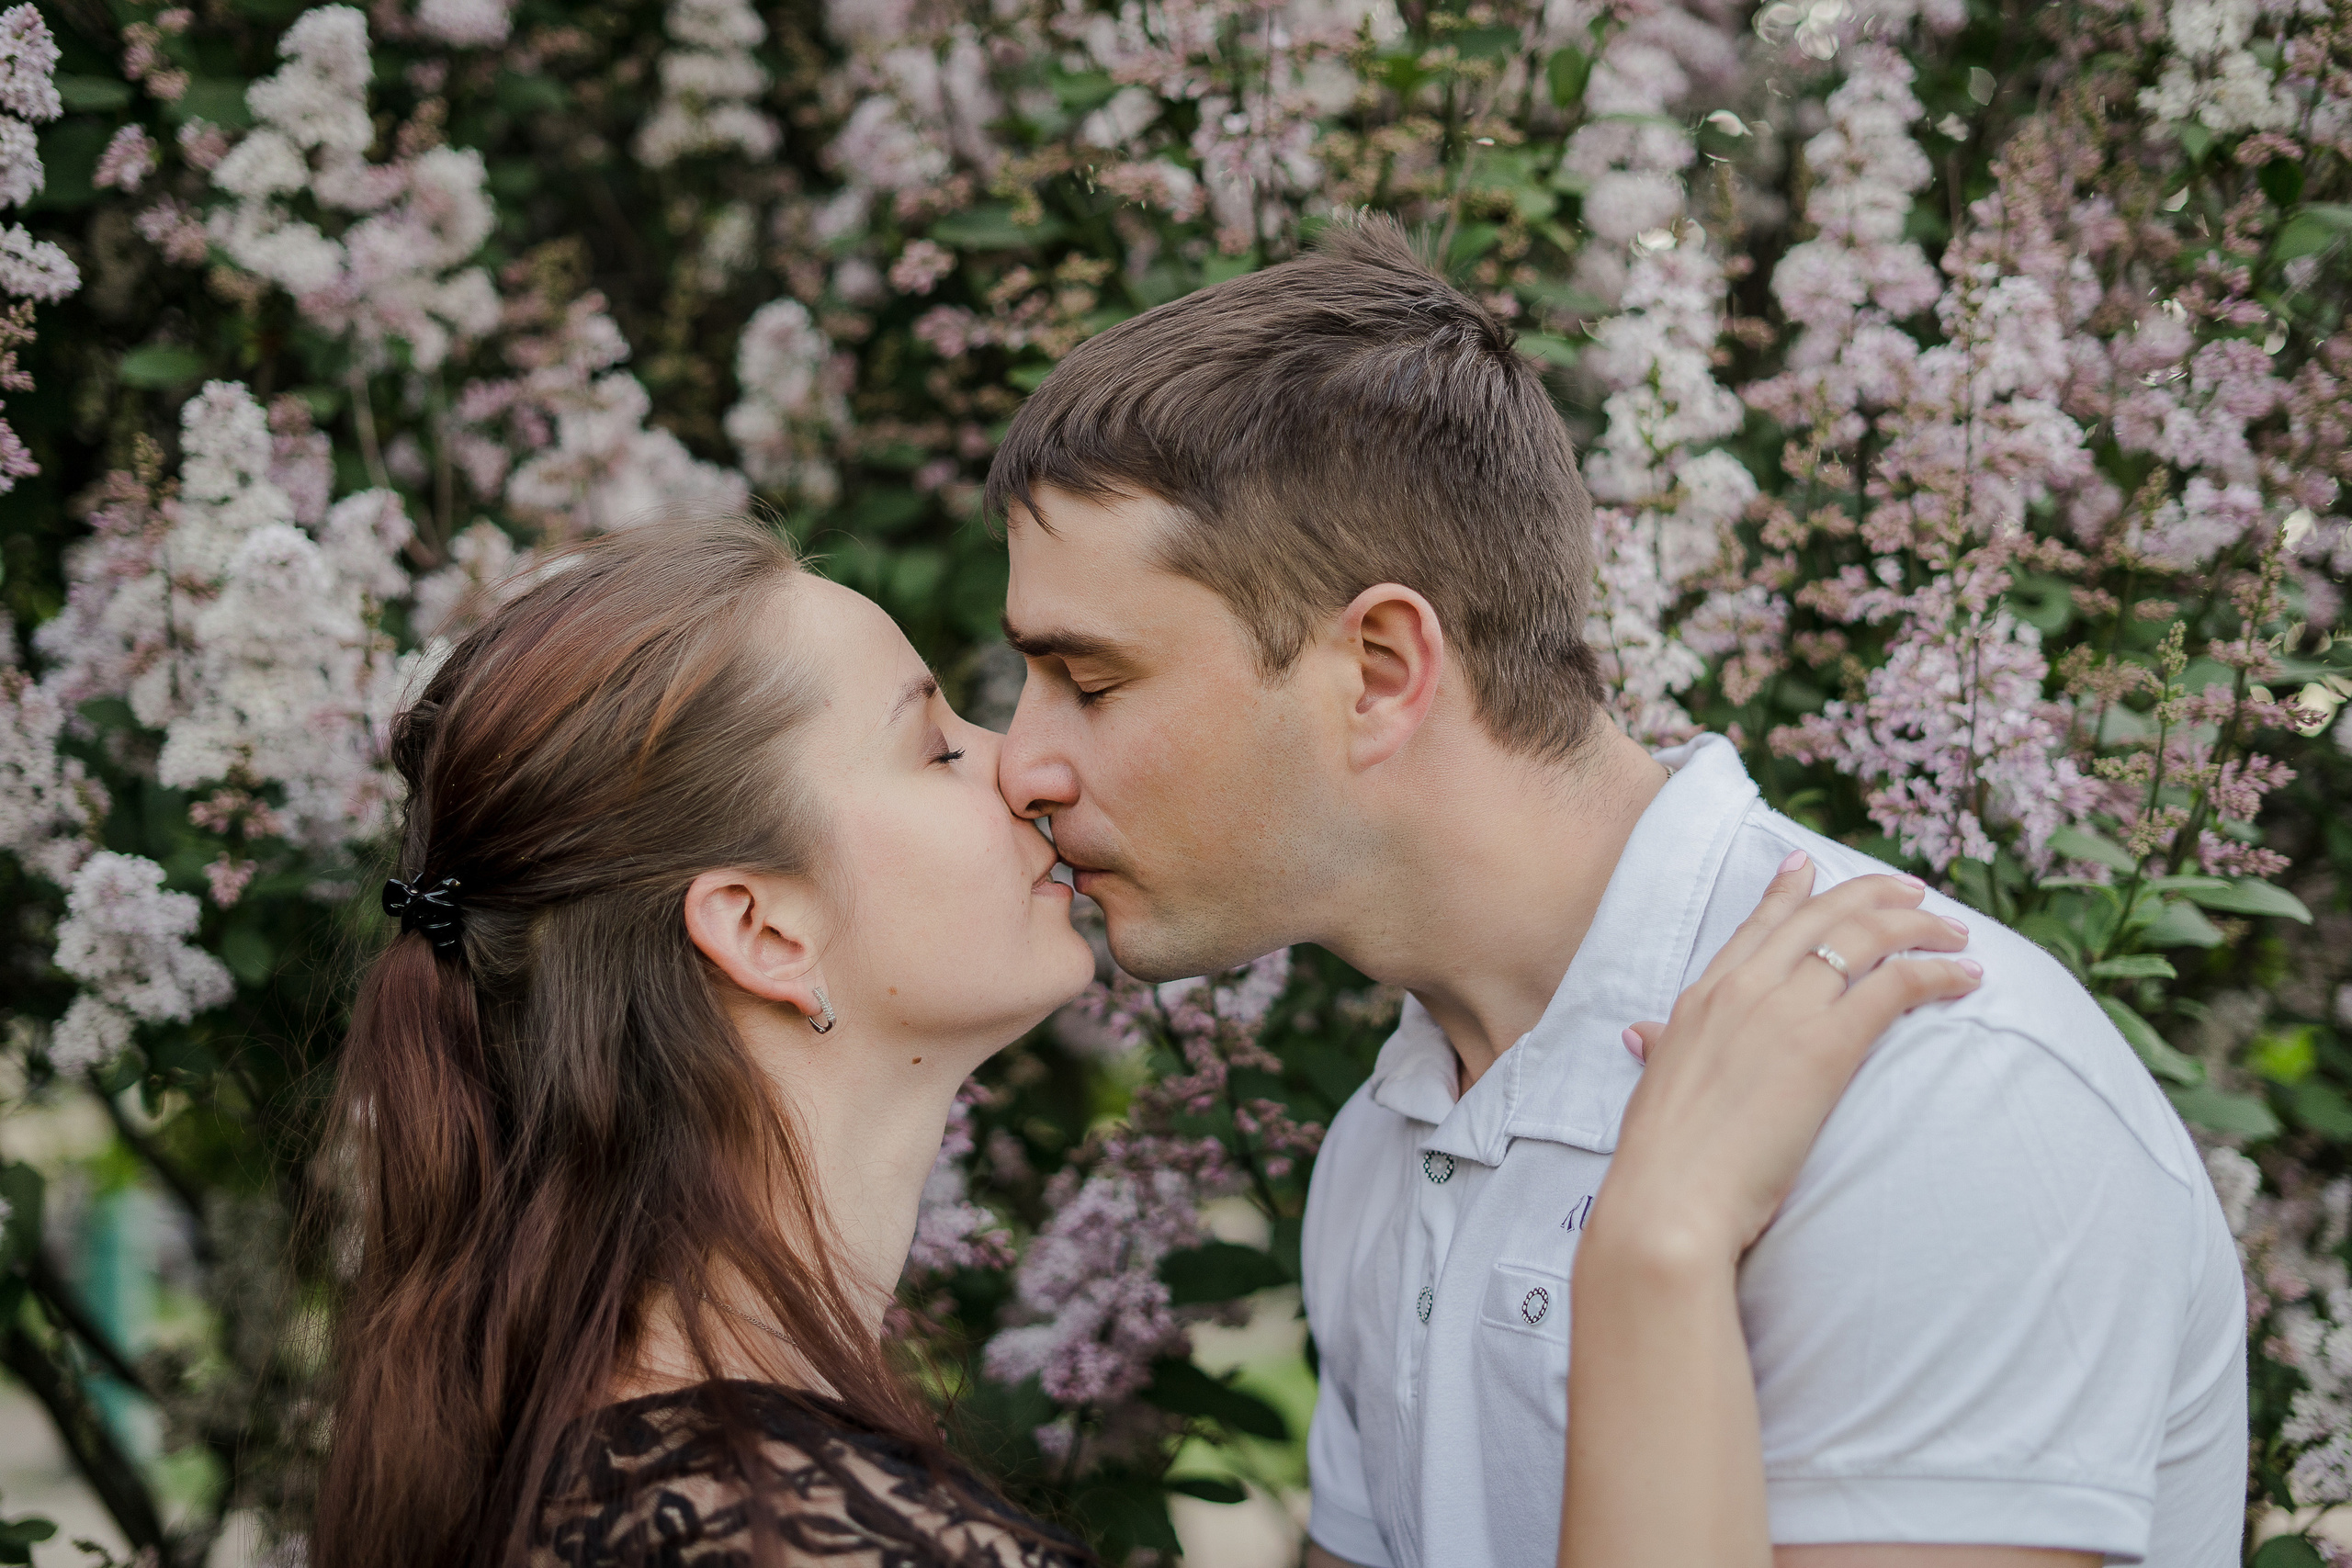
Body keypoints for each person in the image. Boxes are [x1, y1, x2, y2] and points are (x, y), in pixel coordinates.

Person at [311, 516, 1971, 1568]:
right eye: (933, 743)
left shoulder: (628, 1464)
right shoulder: (789, 1539)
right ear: (764, 928)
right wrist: (1660, 1245)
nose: (1024, 766)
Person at [988, 214, 2248, 1566]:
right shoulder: (1389, 1140)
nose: (1022, 763)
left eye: (1091, 682)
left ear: (1381, 671)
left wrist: (1656, 1251)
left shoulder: (1933, 1092)